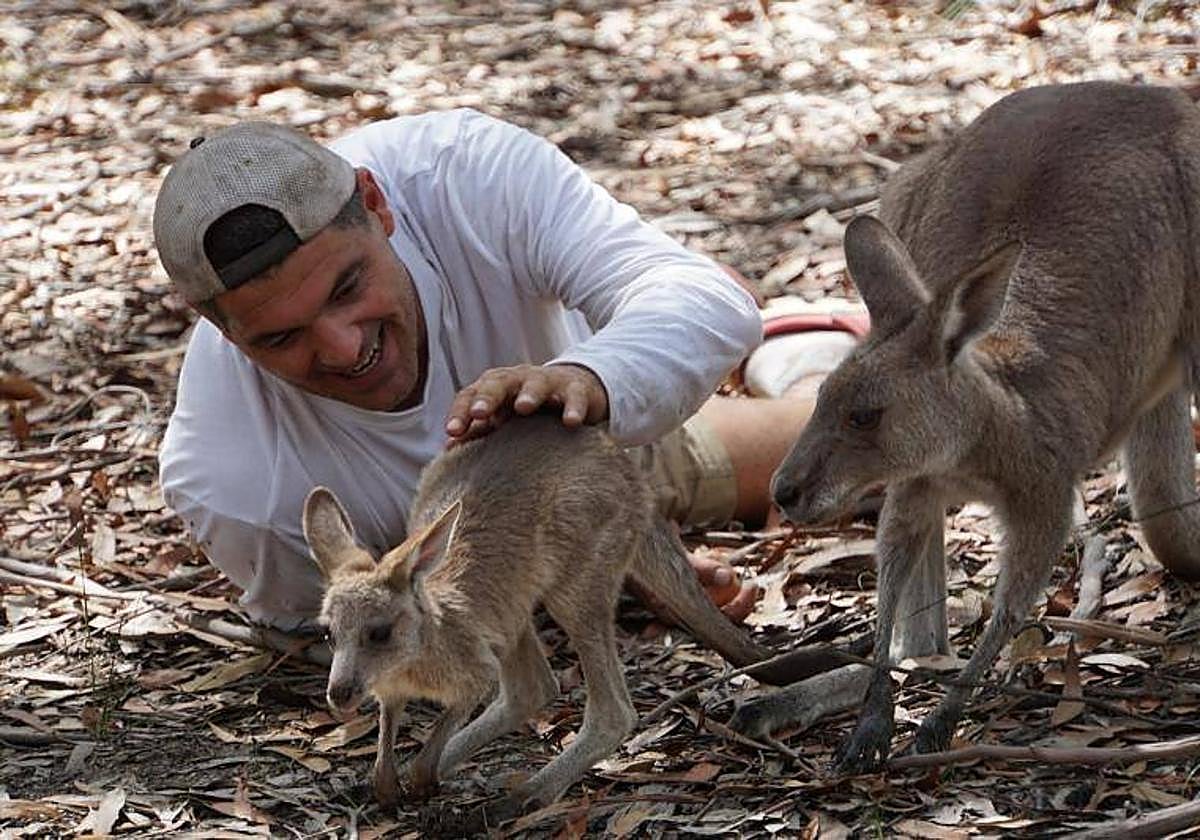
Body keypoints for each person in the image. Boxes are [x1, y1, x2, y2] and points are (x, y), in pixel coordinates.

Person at [152, 111, 864, 632]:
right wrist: (601, 578)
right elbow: (384, 635)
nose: (342, 349)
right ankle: (790, 351)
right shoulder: (240, 489)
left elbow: (710, 303)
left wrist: (590, 379)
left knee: (841, 443)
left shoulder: (460, 173)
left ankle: (799, 345)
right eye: (282, 338)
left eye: (346, 289)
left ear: (377, 205)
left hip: (587, 430)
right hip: (530, 521)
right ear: (218, 329)